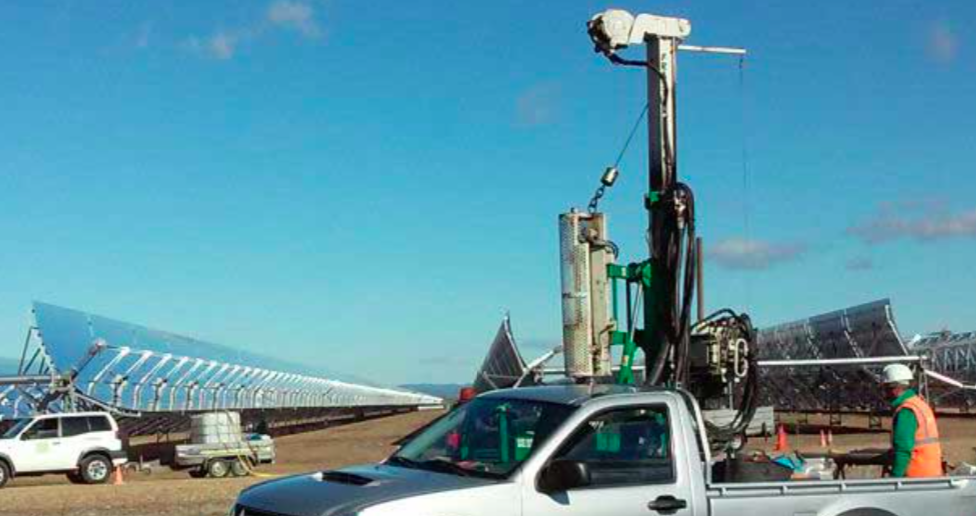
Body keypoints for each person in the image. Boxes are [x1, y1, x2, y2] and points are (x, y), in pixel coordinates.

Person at [881, 363, 943, 478]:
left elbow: (903, 450)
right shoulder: (919, 404)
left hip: (914, 476)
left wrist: (894, 480)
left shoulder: (906, 411)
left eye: (885, 388)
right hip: (931, 473)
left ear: (894, 388)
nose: (884, 393)